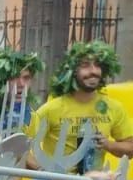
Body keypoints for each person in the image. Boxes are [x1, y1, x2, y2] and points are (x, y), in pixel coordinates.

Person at [29, 41, 133, 170]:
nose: (93, 71)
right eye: (85, 65)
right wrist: (43, 172)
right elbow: (20, 146)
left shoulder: (113, 108)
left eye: (97, 65)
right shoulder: (52, 109)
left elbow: (130, 148)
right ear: (72, 71)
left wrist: (107, 144)